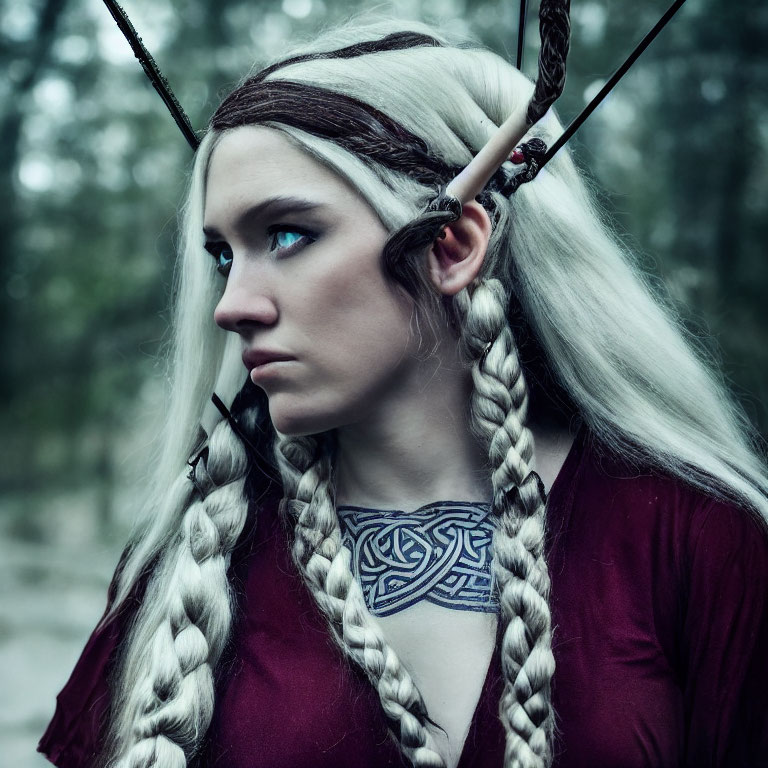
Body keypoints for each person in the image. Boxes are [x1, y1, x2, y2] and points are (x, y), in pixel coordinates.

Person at [38, 15, 768, 768]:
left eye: (286, 236)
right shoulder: (196, 555)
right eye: (224, 255)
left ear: (451, 246)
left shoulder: (695, 536)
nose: (232, 303)